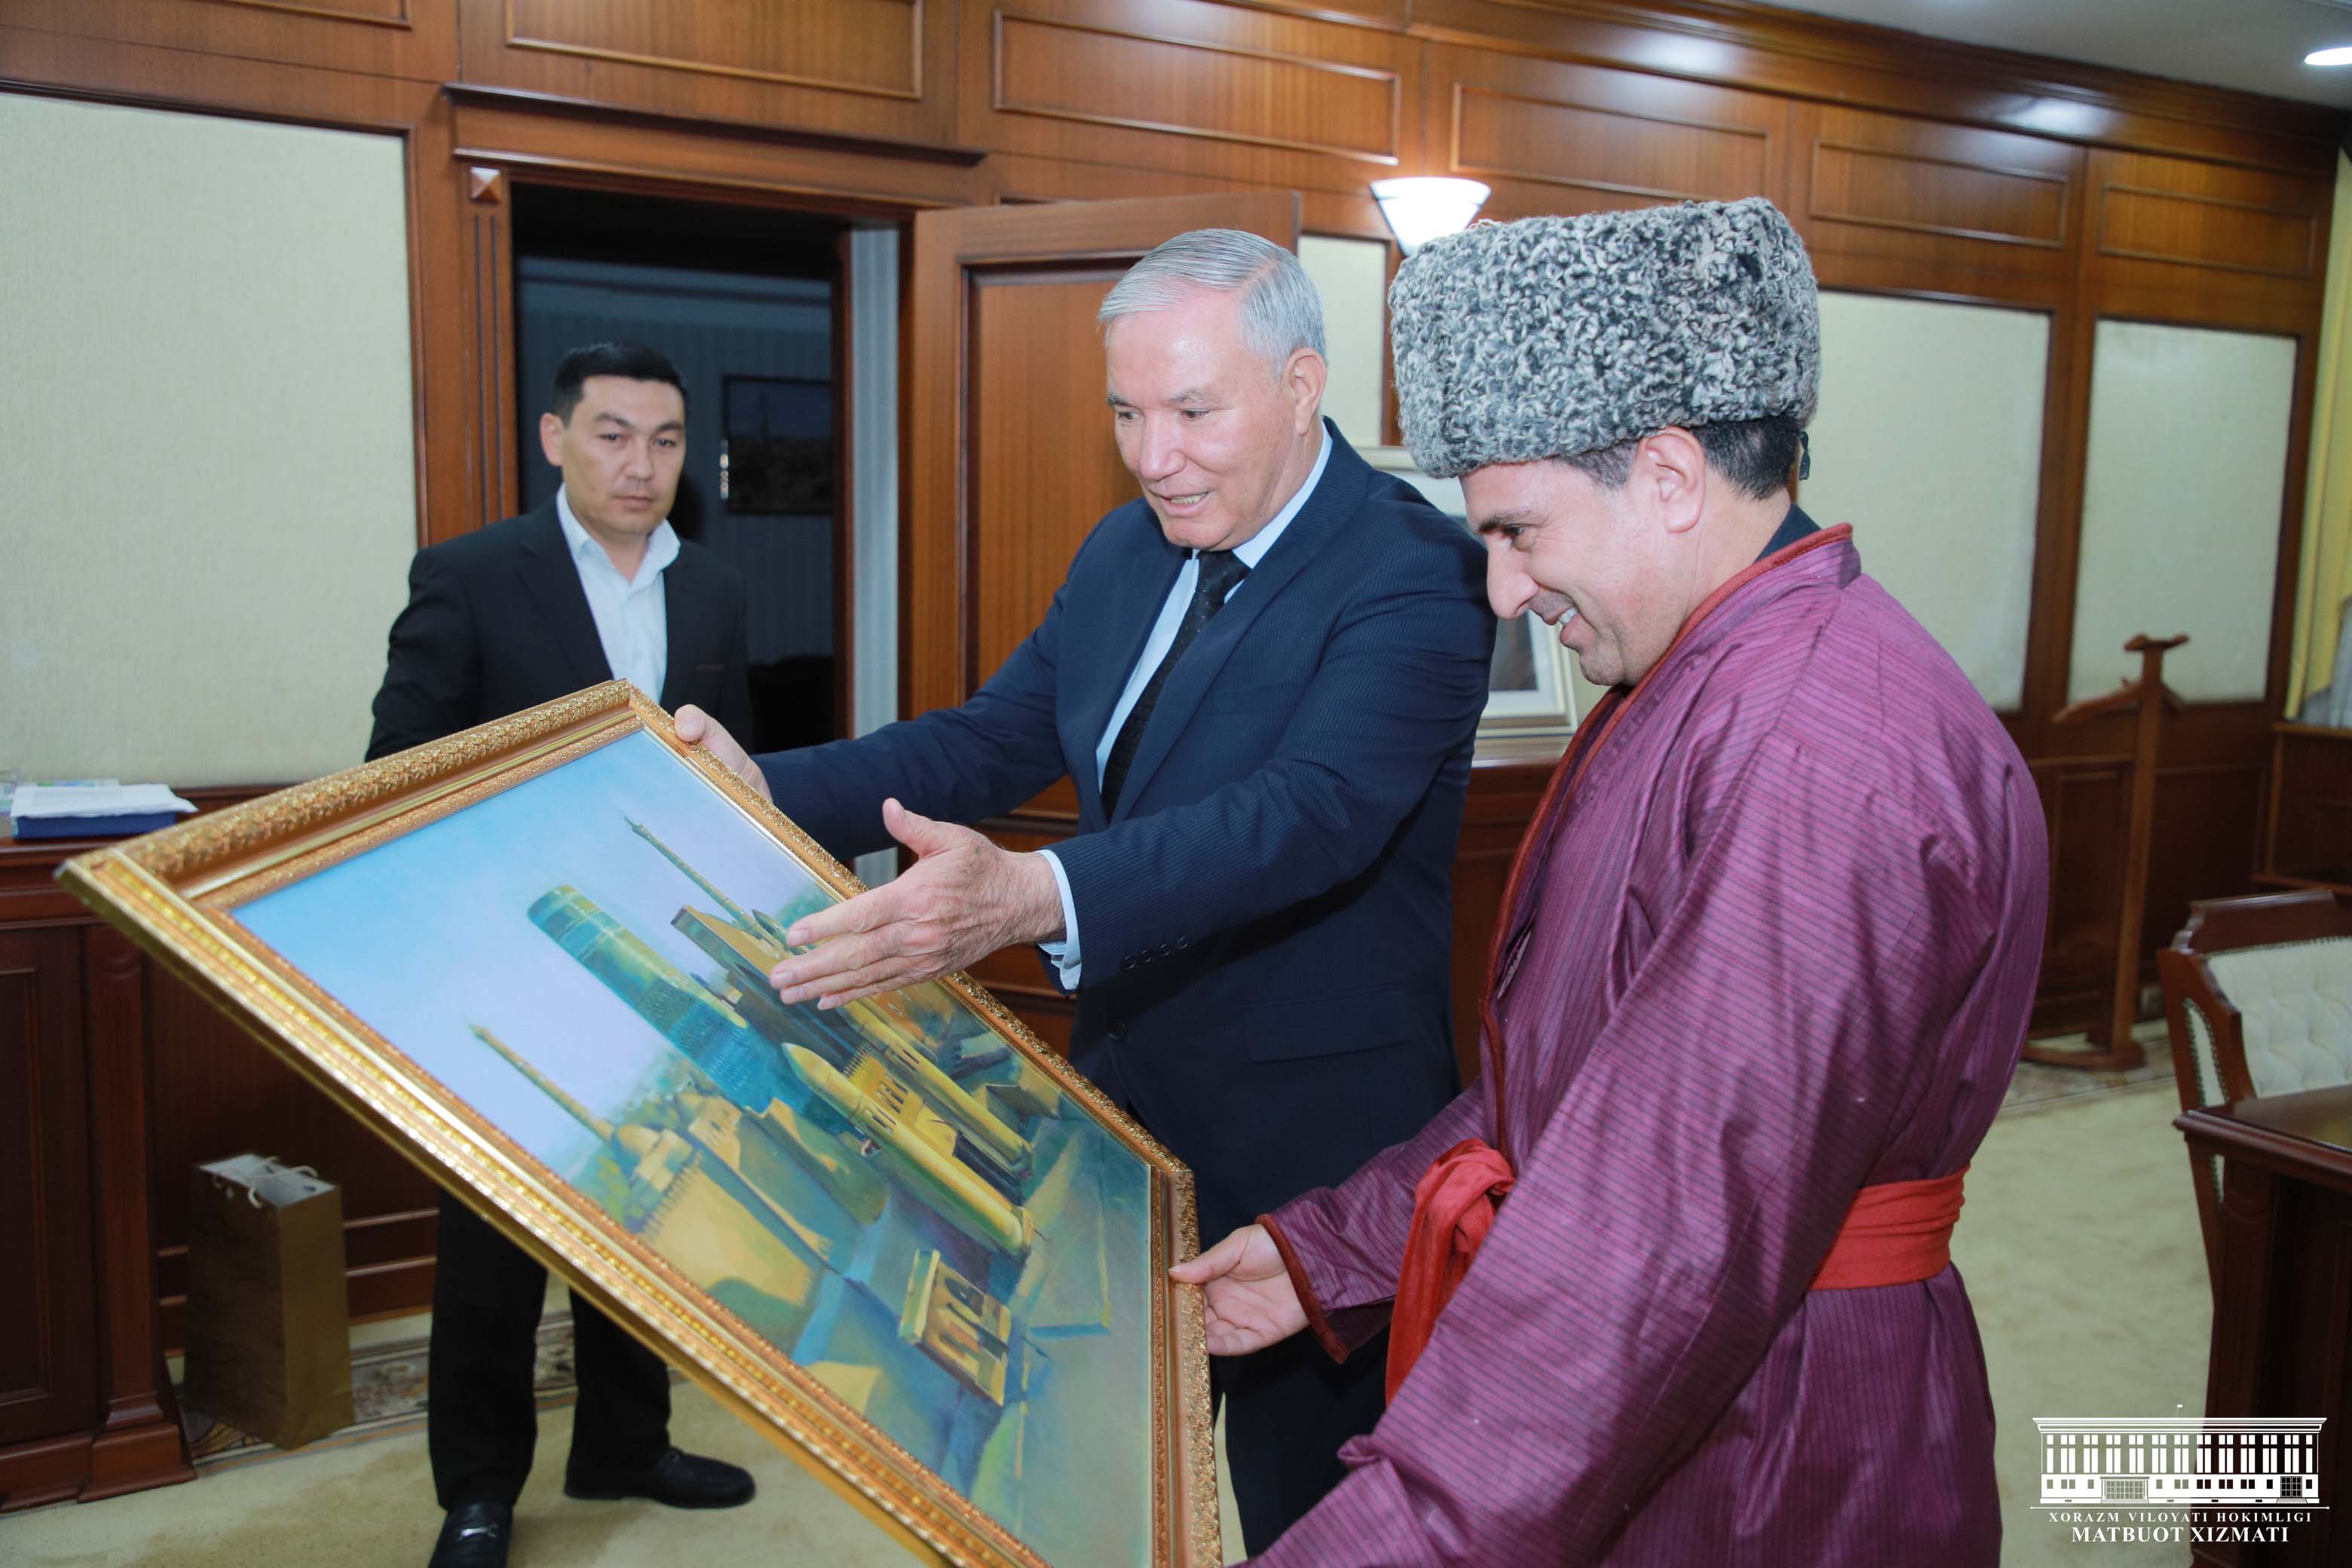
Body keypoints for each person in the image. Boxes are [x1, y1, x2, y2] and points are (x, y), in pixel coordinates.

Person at [1172, 198, 2048, 1565]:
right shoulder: (1716, 678)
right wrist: (1328, 1249)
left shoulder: (1813, 751)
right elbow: (1568, 1097)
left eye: (1519, 531)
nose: (1504, 593)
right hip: (1717, 1394)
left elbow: (1656, 1246)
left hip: (1777, 1454)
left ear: (1672, 475)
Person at [676, 228, 1494, 1548]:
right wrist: (760, 789)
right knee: (1115, 1494)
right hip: (1122, 1124)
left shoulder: (1418, 570)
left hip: (1318, 1149)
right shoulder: (1127, 551)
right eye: (1127, 413)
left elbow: (1311, 816)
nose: (1153, 455)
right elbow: (989, 739)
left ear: (1301, 385)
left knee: (1316, 1516)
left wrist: (1033, 896)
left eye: (1193, 412)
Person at [367, 341, 756, 1568]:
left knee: (639, 1205)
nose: (641, 464)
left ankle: (625, 1445)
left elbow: (728, 778)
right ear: (555, 438)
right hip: (510, 952)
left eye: (665, 441)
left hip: (661, 957)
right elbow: (396, 774)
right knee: (494, 1238)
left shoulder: (713, 589)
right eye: (612, 434)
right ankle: (479, 1492)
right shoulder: (473, 575)